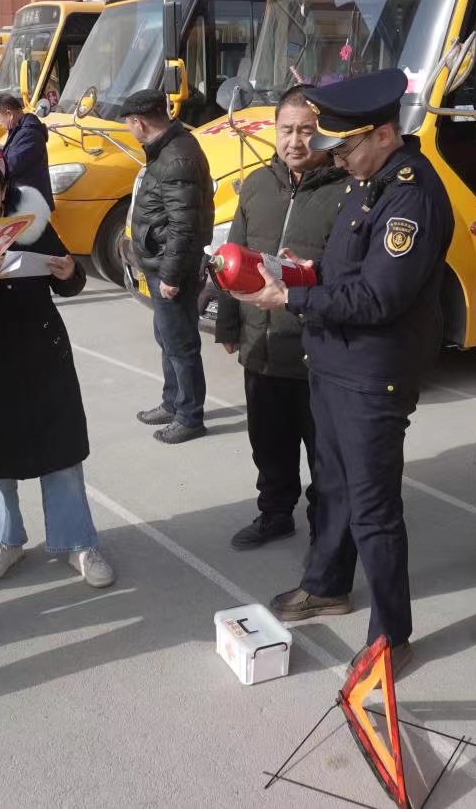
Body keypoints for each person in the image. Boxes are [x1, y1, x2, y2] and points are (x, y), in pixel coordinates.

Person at [232, 69, 454, 669]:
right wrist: (296, 271)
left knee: (374, 508)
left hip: (372, 374)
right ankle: (327, 586)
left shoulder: (410, 195)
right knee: (331, 487)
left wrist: (291, 298)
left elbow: (380, 298)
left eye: (345, 145)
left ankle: (390, 638)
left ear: (384, 134)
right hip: (332, 359)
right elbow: (343, 268)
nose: (336, 156)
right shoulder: (364, 179)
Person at [0, 145, 115, 589]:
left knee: (61, 450)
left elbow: (68, 284)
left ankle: (77, 542)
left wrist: (69, 273)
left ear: (3, 192)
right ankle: (5, 540)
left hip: (43, 354)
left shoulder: (33, 227)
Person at [214, 86, 349, 550]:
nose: (295, 142)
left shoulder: (345, 191)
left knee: (324, 454)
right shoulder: (255, 185)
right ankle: (274, 514)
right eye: (286, 130)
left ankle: (323, 531)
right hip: (262, 347)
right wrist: (229, 323)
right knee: (268, 445)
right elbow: (231, 259)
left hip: (316, 351)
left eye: (307, 131)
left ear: (325, 134)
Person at [124, 88, 214, 445]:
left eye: (129, 123)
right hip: (160, 262)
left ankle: (190, 416)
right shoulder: (166, 150)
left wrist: (172, 276)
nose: (129, 129)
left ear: (139, 122)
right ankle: (173, 401)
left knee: (180, 343)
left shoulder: (177, 158)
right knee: (167, 336)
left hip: (171, 267)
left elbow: (184, 225)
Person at [0, 93, 53, 209]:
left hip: (31, 203)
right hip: (25, 199)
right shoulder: (19, 130)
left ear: (9, 114)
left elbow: (11, 164)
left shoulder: (29, 133)